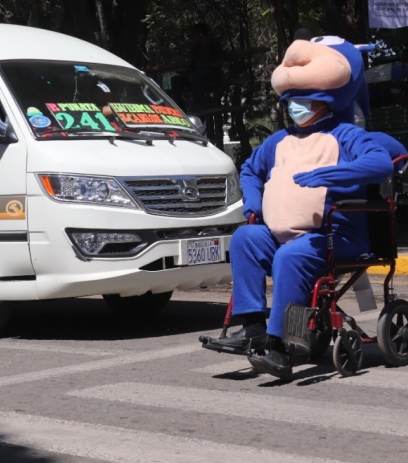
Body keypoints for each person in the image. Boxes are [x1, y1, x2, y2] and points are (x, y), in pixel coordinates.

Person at [204, 36, 393, 380]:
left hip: (334, 235)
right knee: (246, 237)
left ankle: (279, 347)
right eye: (291, 101)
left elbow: (381, 162)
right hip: (283, 233)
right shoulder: (279, 140)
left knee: (290, 258)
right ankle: (253, 329)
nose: (296, 107)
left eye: (304, 100)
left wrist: (335, 174)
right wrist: (254, 202)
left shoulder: (346, 135)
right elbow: (249, 169)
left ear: (325, 102)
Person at [167, 23, 223, 112]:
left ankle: (197, 103)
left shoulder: (214, 45)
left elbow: (219, 62)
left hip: (212, 74)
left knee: (194, 75)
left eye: (195, 33)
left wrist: (205, 66)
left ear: (201, 34)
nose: (194, 36)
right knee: (175, 79)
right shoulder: (197, 47)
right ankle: (180, 106)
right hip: (196, 74)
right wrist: (184, 72)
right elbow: (193, 65)